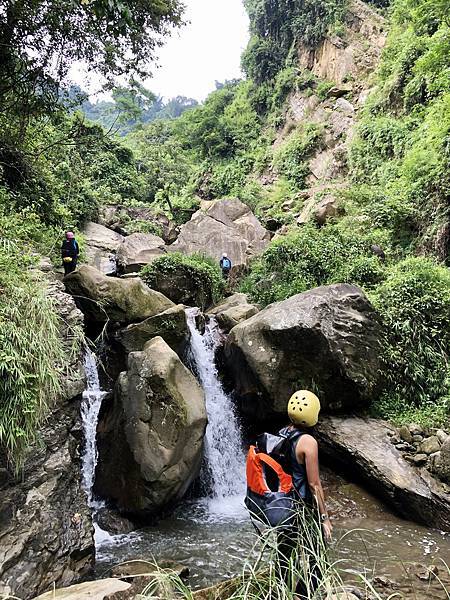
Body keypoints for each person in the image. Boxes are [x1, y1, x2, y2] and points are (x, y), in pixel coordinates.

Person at [277, 390, 332, 599]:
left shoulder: (282, 433)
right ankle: (302, 595)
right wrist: (324, 518)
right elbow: (314, 484)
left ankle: (280, 593)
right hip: (303, 509)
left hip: (282, 506)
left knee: (283, 556)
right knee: (318, 561)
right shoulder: (308, 442)